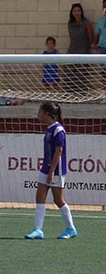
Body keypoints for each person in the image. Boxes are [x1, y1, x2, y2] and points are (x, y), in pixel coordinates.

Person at [26, 102, 78, 240]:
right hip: (46, 168)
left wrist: (51, 172)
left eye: (40, 111)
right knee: (40, 198)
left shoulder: (58, 130)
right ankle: (38, 230)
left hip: (56, 170)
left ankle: (71, 228)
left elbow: (59, 151)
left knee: (58, 199)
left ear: (47, 114)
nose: (38, 115)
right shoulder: (50, 128)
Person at [65, 2, 94, 94]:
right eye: (74, 11)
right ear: (72, 12)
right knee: (69, 73)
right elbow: (71, 37)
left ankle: (80, 95)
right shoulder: (70, 24)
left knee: (80, 74)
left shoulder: (86, 23)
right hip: (72, 50)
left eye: (78, 10)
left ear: (81, 12)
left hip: (83, 51)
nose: (76, 13)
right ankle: (69, 94)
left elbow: (91, 37)